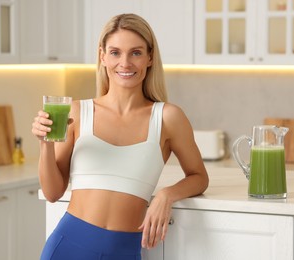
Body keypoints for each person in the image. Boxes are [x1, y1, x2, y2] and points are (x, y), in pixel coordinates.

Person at [32, 13, 209, 260]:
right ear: (102, 56)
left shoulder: (168, 117)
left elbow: (199, 177)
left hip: (123, 251)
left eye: (135, 53)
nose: (125, 63)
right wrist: (45, 145)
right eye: (115, 52)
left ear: (150, 57)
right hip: (67, 246)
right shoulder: (77, 112)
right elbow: (52, 193)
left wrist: (166, 195)